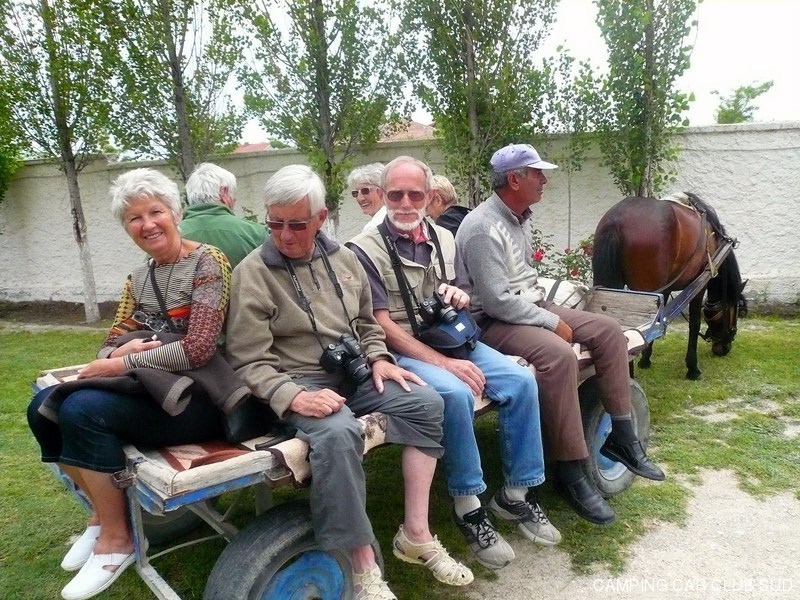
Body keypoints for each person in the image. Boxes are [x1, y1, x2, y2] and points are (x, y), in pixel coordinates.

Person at [224, 164, 472, 599]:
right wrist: (294, 396)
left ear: (320, 218)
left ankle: (415, 534)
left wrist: (379, 358)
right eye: (275, 223)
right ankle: (362, 564)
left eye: (297, 224)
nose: (284, 235)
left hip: (352, 374)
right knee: (339, 434)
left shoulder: (344, 259)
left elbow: (367, 322)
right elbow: (248, 360)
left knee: (426, 402)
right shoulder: (253, 273)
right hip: (294, 383)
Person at [27, 168, 235, 600]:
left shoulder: (208, 261)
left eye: (155, 211)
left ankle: (117, 541)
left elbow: (199, 348)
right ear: (126, 227)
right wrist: (118, 354)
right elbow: (110, 341)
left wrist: (126, 358)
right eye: (134, 218)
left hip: (198, 397)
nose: (147, 224)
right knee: (41, 409)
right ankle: (101, 518)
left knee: (82, 411)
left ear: (175, 213)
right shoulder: (137, 279)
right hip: (151, 389)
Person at [347, 156, 560, 571]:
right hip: (403, 349)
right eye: (395, 194)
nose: (405, 203)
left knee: (520, 381)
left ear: (429, 196)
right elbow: (380, 324)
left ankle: (515, 495)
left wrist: (458, 295)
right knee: (454, 393)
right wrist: (445, 365)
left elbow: (459, 289)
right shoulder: (365, 249)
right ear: (384, 196)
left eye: (415, 195)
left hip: (449, 337)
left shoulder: (445, 237)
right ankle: (468, 505)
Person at [455, 143, 665, 526]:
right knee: (559, 355)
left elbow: (522, 286)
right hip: (490, 322)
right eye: (537, 173)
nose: (544, 180)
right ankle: (569, 470)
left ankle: (623, 437)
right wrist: (552, 323)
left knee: (608, 331)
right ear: (514, 179)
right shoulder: (482, 227)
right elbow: (497, 302)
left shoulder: (518, 217)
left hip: (527, 307)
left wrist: (547, 314)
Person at [181, 162, 267, 268]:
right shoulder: (256, 233)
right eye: (233, 194)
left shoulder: (171, 236)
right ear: (224, 191)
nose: (235, 199)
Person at [347, 162, 387, 229]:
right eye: (355, 193)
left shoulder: (375, 227)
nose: (360, 198)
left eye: (365, 191)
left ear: (382, 190)